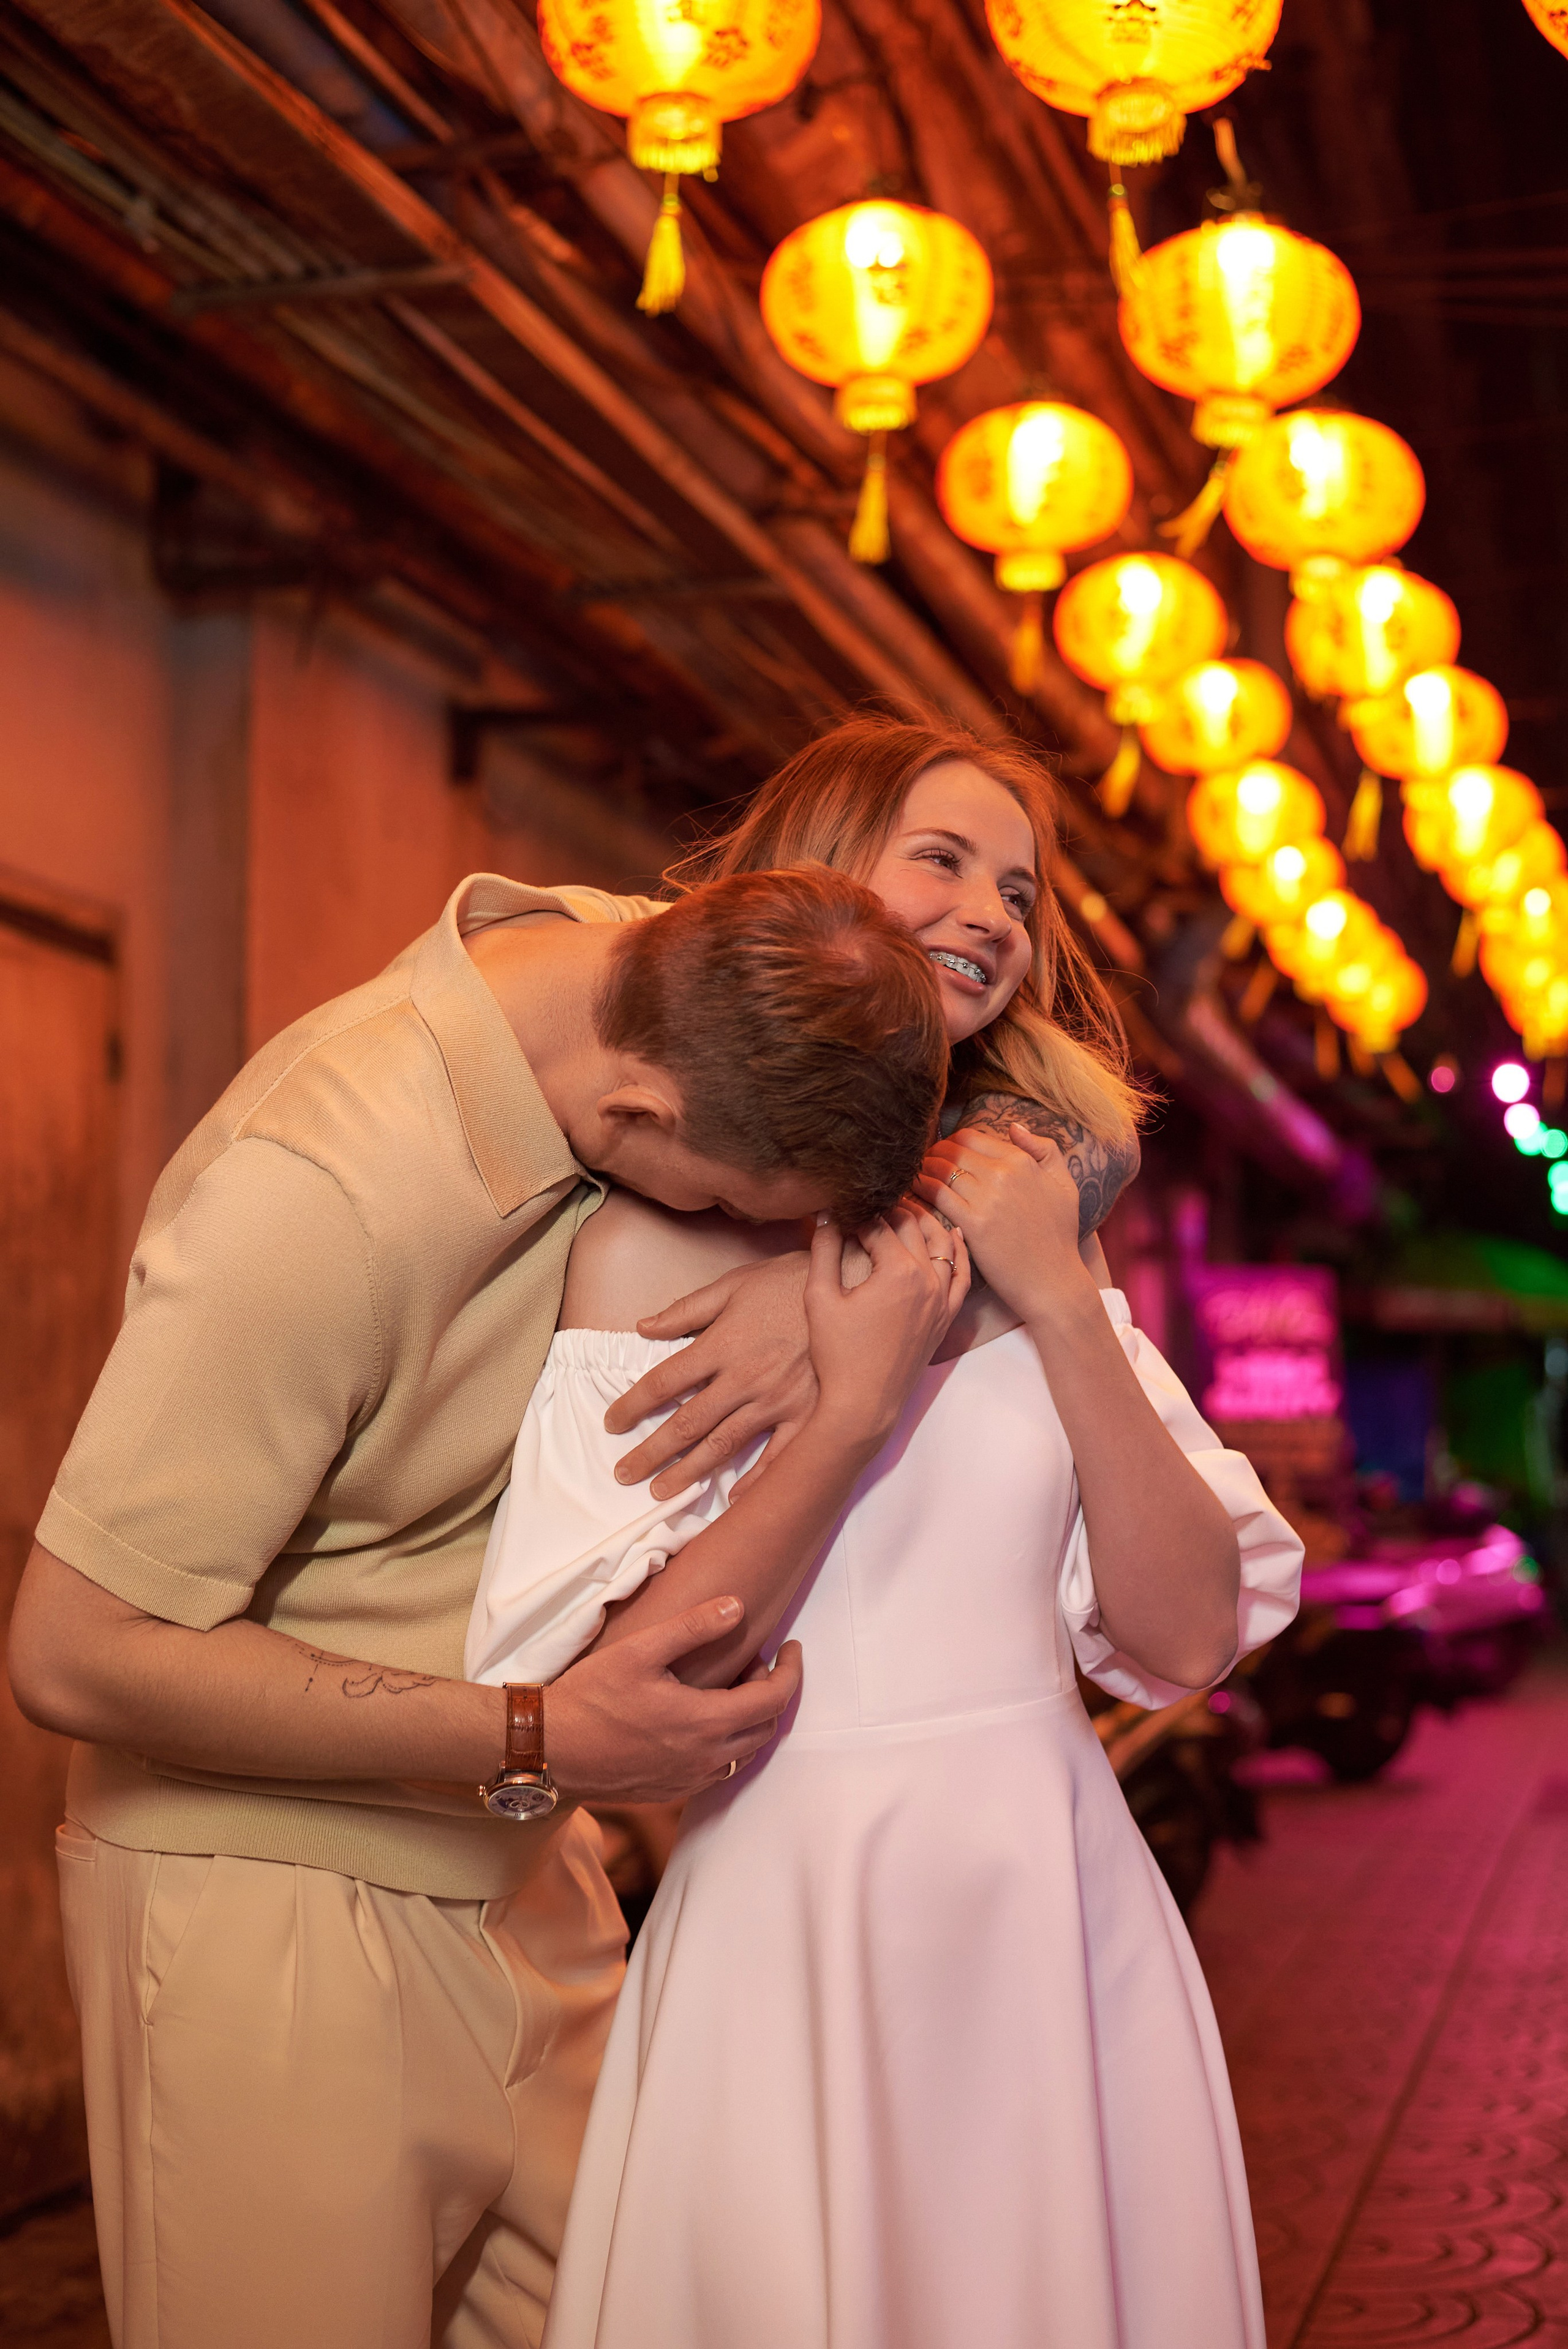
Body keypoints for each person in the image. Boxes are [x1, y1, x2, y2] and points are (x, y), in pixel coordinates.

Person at [6, 863, 959, 2349]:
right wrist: (537, 1730)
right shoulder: (320, 1184)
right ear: (640, 1116)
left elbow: (1031, 1129)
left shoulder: (641, 960)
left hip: (524, 1870)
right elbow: (70, 1647)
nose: (710, 1228)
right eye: (716, 1205)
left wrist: (792, 1296)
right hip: (268, 1912)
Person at [465, 720, 1303, 2349]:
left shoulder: (1037, 1237)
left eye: (1022, 887)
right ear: (813, 872)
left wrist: (1059, 1300)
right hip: (789, 1905)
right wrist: (849, 1399)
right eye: (943, 857)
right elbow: (636, 1697)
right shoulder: (648, 1243)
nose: (993, 908)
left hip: (1053, 1897)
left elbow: (1189, 1641)